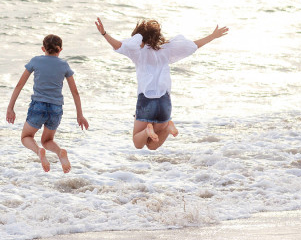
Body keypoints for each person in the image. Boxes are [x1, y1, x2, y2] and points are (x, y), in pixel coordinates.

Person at [94, 17, 228, 150]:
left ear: (140, 38)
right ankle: (168, 127)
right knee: (152, 146)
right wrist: (212, 36)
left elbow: (120, 46)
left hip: (147, 99)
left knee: (138, 143)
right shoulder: (166, 50)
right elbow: (193, 46)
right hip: (164, 101)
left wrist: (104, 34)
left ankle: (148, 131)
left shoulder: (138, 53)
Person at [6, 34, 89, 173]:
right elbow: (75, 92)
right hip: (56, 108)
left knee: (26, 137)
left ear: (43, 48)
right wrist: (80, 115)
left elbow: (19, 85)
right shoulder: (64, 65)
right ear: (60, 50)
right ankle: (59, 152)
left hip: (38, 106)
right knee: (47, 140)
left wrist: (10, 108)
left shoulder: (35, 61)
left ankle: (39, 152)